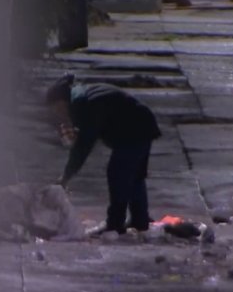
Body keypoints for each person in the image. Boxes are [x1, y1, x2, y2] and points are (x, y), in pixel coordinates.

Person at [46, 74, 162, 235]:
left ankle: (115, 222)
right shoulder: (82, 97)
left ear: (62, 101)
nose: (57, 113)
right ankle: (139, 219)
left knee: (118, 174)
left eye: (56, 108)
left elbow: (84, 145)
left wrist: (66, 175)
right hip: (142, 125)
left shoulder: (82, 104)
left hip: (135, 131)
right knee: (134, 176)